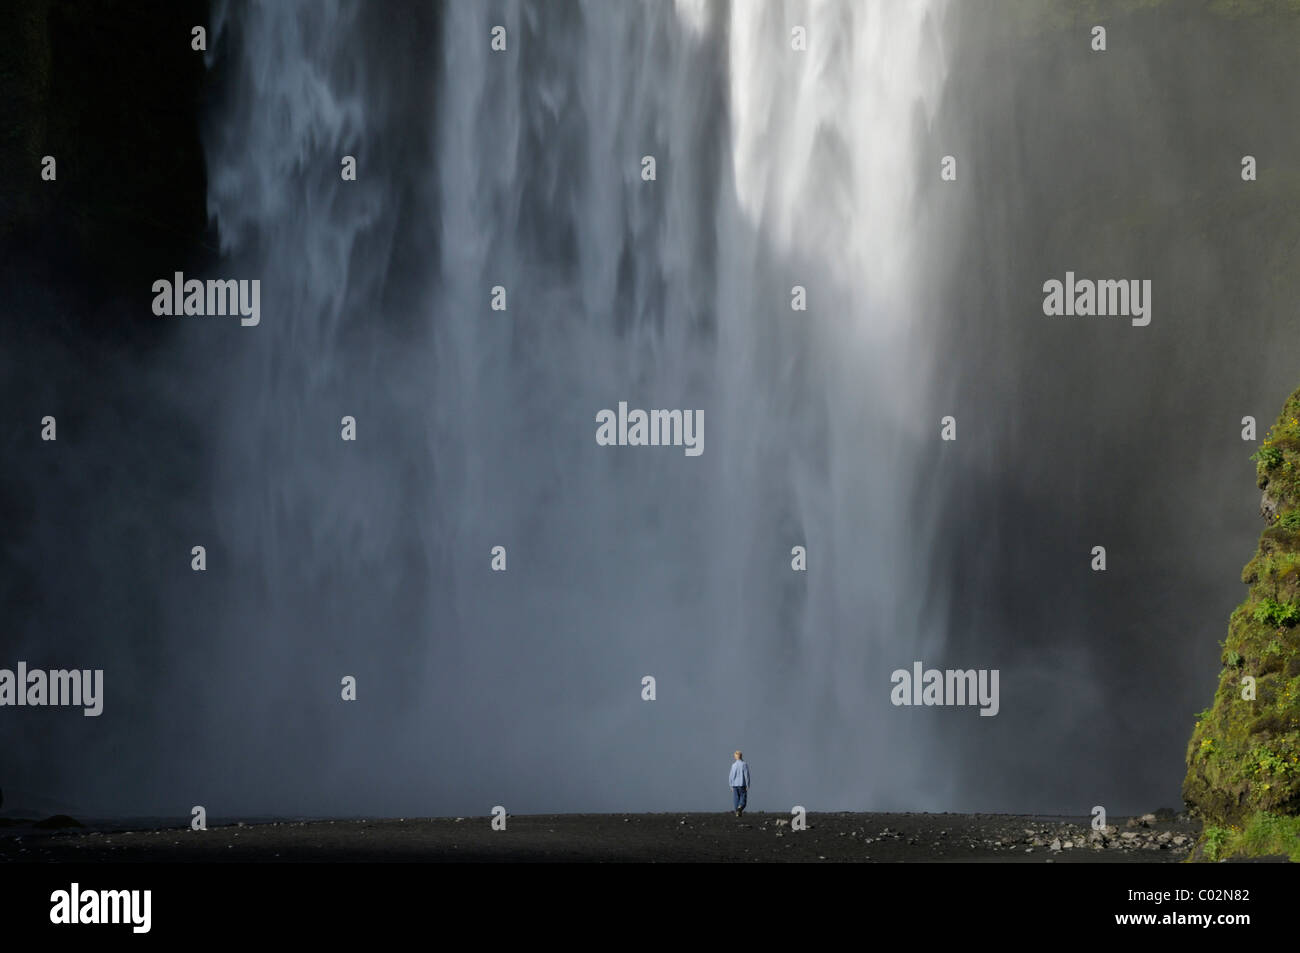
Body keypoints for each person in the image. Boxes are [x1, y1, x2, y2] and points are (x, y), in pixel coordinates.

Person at [729, 750, 750, 817]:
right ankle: (739, 808)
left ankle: (737, 812)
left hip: (734, 785)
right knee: (743, 798)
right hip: (742, 784)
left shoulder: (733, 765)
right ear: (741, 756)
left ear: (735, 757)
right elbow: (746, 775)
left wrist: (730, 785)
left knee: (736, 799)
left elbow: (731, 776)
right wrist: (748, 784)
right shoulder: (744, 764)